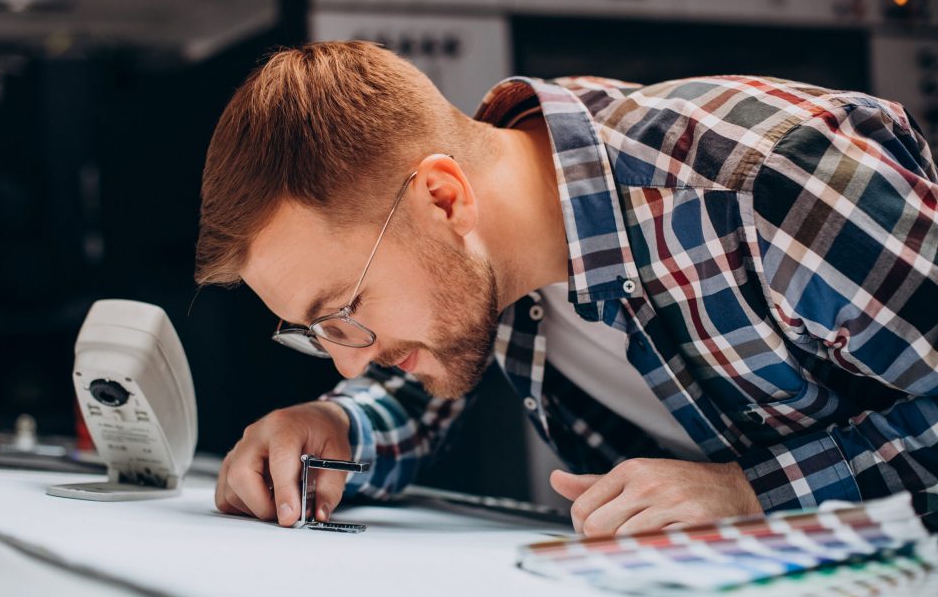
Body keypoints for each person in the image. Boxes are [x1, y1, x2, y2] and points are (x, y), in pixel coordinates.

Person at [195, 41, 938, 537]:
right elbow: (434, 378)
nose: (349, 362)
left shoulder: (770, 178)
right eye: (317, 332)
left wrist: (750, 494)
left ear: (443, 199)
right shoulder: (496, 241)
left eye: (343, 313)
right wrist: (338, 430)